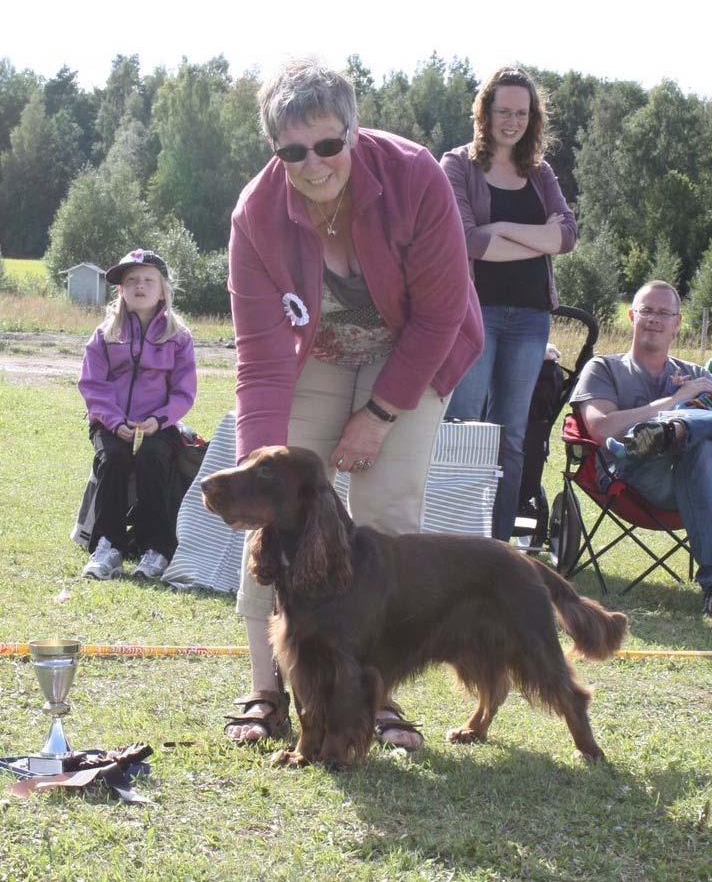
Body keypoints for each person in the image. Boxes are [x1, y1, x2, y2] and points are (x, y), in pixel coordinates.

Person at [226, 57, 484, 751]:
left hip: (413, 349)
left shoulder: (415, 178)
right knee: (276, 520)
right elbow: (259, 354)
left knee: (387, 513)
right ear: (274, 149)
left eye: (328, 145)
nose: (312, 165)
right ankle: (265, 690)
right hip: (314, 355)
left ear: (353, 129)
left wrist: (378, 415)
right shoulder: (255, 216)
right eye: (292, 151)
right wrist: (258, 471)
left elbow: (438, 315)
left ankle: (377, 695)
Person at [441, 66, 577, 541]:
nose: (512, 121)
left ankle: (497, 545)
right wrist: (538, 239)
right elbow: (466, 241)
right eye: (504, 111)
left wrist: (502, 231)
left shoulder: (539, 174)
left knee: (513, 437)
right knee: (465, 427)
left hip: (531, 318)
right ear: (485, 112)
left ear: (532, 117)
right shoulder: (456, 166)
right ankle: (456, 536)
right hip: (476, 316)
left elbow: (567, 236)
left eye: (522, 112)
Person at [570, 280, 712, 617]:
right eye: (647, 310)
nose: (654, 319)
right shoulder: (604, 368)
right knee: (700, 448)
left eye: (664, 313)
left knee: (700, 450)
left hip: (698, 480)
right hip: (633, 476)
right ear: (632, 316)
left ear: (677, 323)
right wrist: (674, 401)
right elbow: (603, 427)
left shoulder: (694, 373)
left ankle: (674, 430)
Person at [78, 249, 197, 581]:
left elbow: (183, 391)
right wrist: (115, 422)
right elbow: (92, 385)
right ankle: (108, 546)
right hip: (111, 423)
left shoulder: (179, 337)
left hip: (158, 424)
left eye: (148, 280)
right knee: (112, 459)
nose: (140, 287)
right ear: (121, 291)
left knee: (153, 458)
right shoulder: (104, 335)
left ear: (163, 290)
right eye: (132, 281)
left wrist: (159, 420)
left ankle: (156, 548)